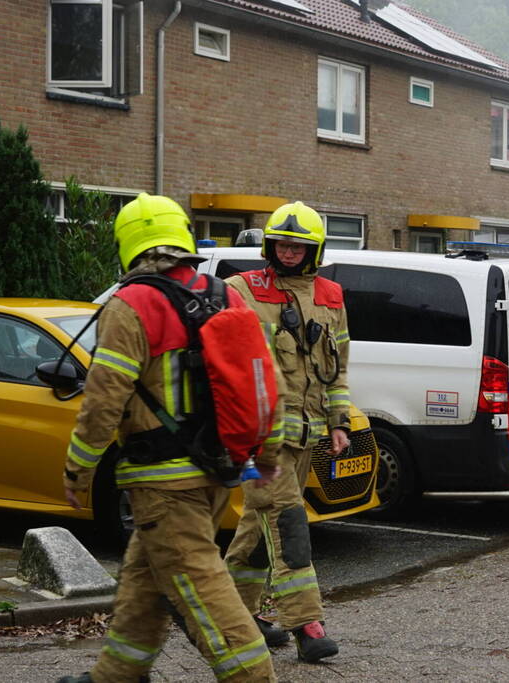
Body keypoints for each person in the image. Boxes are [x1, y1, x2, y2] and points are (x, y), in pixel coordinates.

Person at [57, 193, 280, 683]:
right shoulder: (225, 294)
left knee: (204, 592)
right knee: (143, 584)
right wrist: (266, 453)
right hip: (216, 472)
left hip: (163, 483)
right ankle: (114, 677)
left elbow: (103, 398)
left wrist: (78, 468)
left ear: (129, 244)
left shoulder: (131, 304)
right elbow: (265, 381)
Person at [223, 201, 351, 663]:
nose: (289, 251)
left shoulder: (332, 297)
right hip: (260, 440)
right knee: (288, 523)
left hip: (306, 434)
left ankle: (239, 618)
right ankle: (306, 624)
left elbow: (336, 371)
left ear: (314, 249)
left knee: (256, 529)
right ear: (269, 245)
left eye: (299, 245)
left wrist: (338, 422)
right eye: (281, 243)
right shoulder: (239, 290)